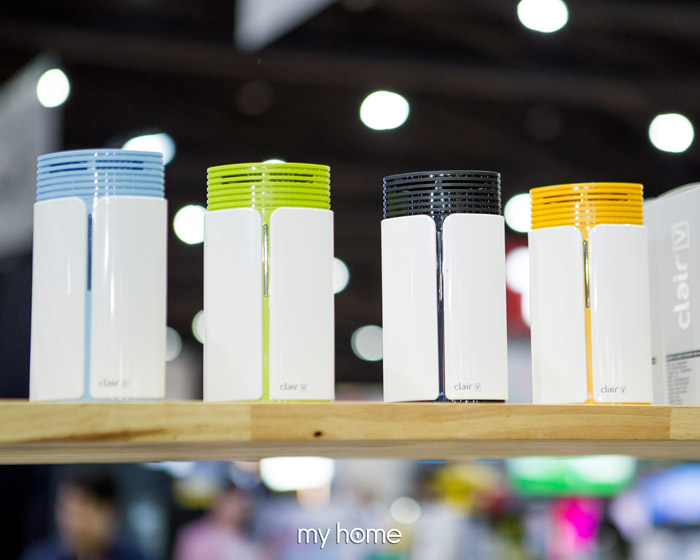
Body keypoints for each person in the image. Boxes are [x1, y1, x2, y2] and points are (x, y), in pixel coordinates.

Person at [21, 469, 148, 560]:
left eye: (82, 514)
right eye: (65, 510)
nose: (72, 523)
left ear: (109, 511)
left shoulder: (133, 556)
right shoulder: (39, 556)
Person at [172, 484, 269, 560]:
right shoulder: (195, 536)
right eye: (231, 503)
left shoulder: (251, 539)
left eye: (240, 504)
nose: (235, 510)